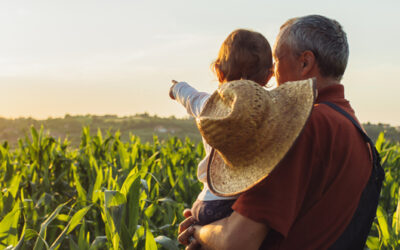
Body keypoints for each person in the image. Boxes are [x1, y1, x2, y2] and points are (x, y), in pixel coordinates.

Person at [178, 14, 383, 249]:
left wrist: (200, 231)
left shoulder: (301, 128)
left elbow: (238, 240)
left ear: (305, 63)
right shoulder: (355, 130)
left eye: (276, 60)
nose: (272, 74)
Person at [169, 29, 274, 226]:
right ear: (269, 76)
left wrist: (176, 88)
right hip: (237, 203)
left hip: (207, 201)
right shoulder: (268, 114)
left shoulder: (208, 104)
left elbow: (190, 96)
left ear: (218, 71)